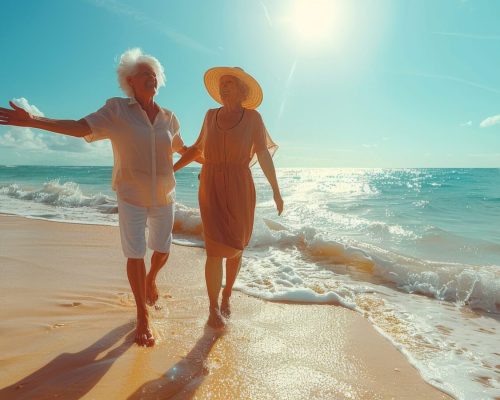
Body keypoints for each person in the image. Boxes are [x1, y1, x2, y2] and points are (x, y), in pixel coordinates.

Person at [0, 48, 185, 347]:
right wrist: (34, 120)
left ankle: (151, 279)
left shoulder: (169, 117)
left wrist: (216, 157)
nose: (150, 77)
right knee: (135, 253)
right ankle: (142, 315)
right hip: (131, 196)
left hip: (165, 196)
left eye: (153, 73)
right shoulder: (116, 110)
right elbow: (79, 127)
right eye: (143, 74)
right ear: (130, 81)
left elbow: (181, 148)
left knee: (162, 251)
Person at [174, 67, 283, 328]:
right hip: (210, 185)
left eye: (229, 83)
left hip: (240, 187)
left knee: (235, 247)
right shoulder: (210, 116)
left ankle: (227, 295)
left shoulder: (253, 118)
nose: (224, 88)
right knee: (213, 249)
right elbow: (197, 148)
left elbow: (263, 155)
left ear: (241, 90)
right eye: (222, 84)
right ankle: (212, 308)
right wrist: (171, 169)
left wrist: (276, 191)